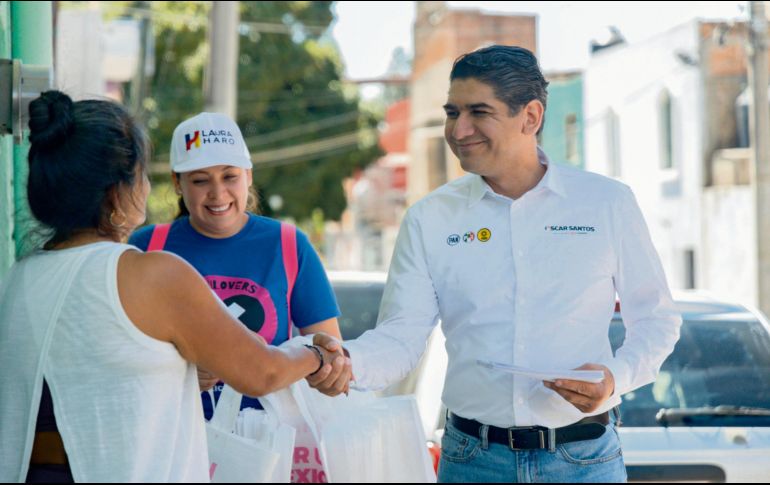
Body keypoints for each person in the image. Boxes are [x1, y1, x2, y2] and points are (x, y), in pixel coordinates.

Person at [328, 45, 682, 483]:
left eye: (479, 111)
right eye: (452, 111)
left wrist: (615, 378)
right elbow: (401, 338)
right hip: (472, 460)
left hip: (583, 461)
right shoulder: (429, 218)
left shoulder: (607, 203)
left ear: (530, 117)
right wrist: (345, 361)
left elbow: (657, 321)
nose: (460, 130)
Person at [0, 91, 347, 483]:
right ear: (118, 190)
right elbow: (262, 372)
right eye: (143, 175)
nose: (147, 187)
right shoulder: (152, 272)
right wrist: (315, 354)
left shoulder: (19, 279)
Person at [129, 112, 350, 419]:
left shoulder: (288, 245)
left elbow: (330, 354)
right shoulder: (145, 248)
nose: (218, 194)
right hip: (172, 440)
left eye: (229, 176)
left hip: (267, 443)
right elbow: (119, 354)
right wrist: (180, 369)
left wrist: (325, 367)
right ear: (177, 183)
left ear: (248, 175)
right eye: (200, 180)